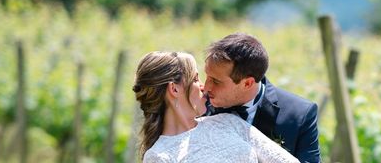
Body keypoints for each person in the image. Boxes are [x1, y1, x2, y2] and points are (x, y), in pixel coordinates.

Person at [132, 50, 300, 163]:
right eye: (196, 79)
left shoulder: (228, 122)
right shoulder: (158, 156)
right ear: (174, 89)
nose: (204, 86)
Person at [204, 33, 321, 163]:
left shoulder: (300, 115)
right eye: (207, 76)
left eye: (216, 81)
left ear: (247, 83)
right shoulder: (197, 104)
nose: (206, 87)